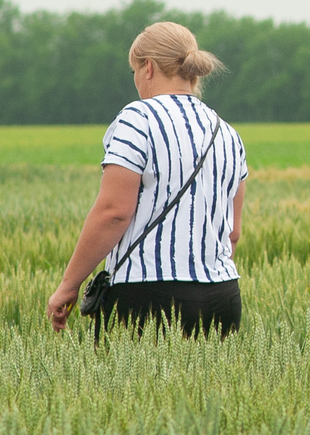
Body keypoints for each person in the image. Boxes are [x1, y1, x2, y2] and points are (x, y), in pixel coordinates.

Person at [49, 22, 251, 337]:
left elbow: (114, 212)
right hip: (222, 296)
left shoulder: (137, 120)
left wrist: (69, 284)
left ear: (148, 68)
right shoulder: (226, 132)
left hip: (148, 295)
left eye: (134, 71)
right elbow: (233, 233)